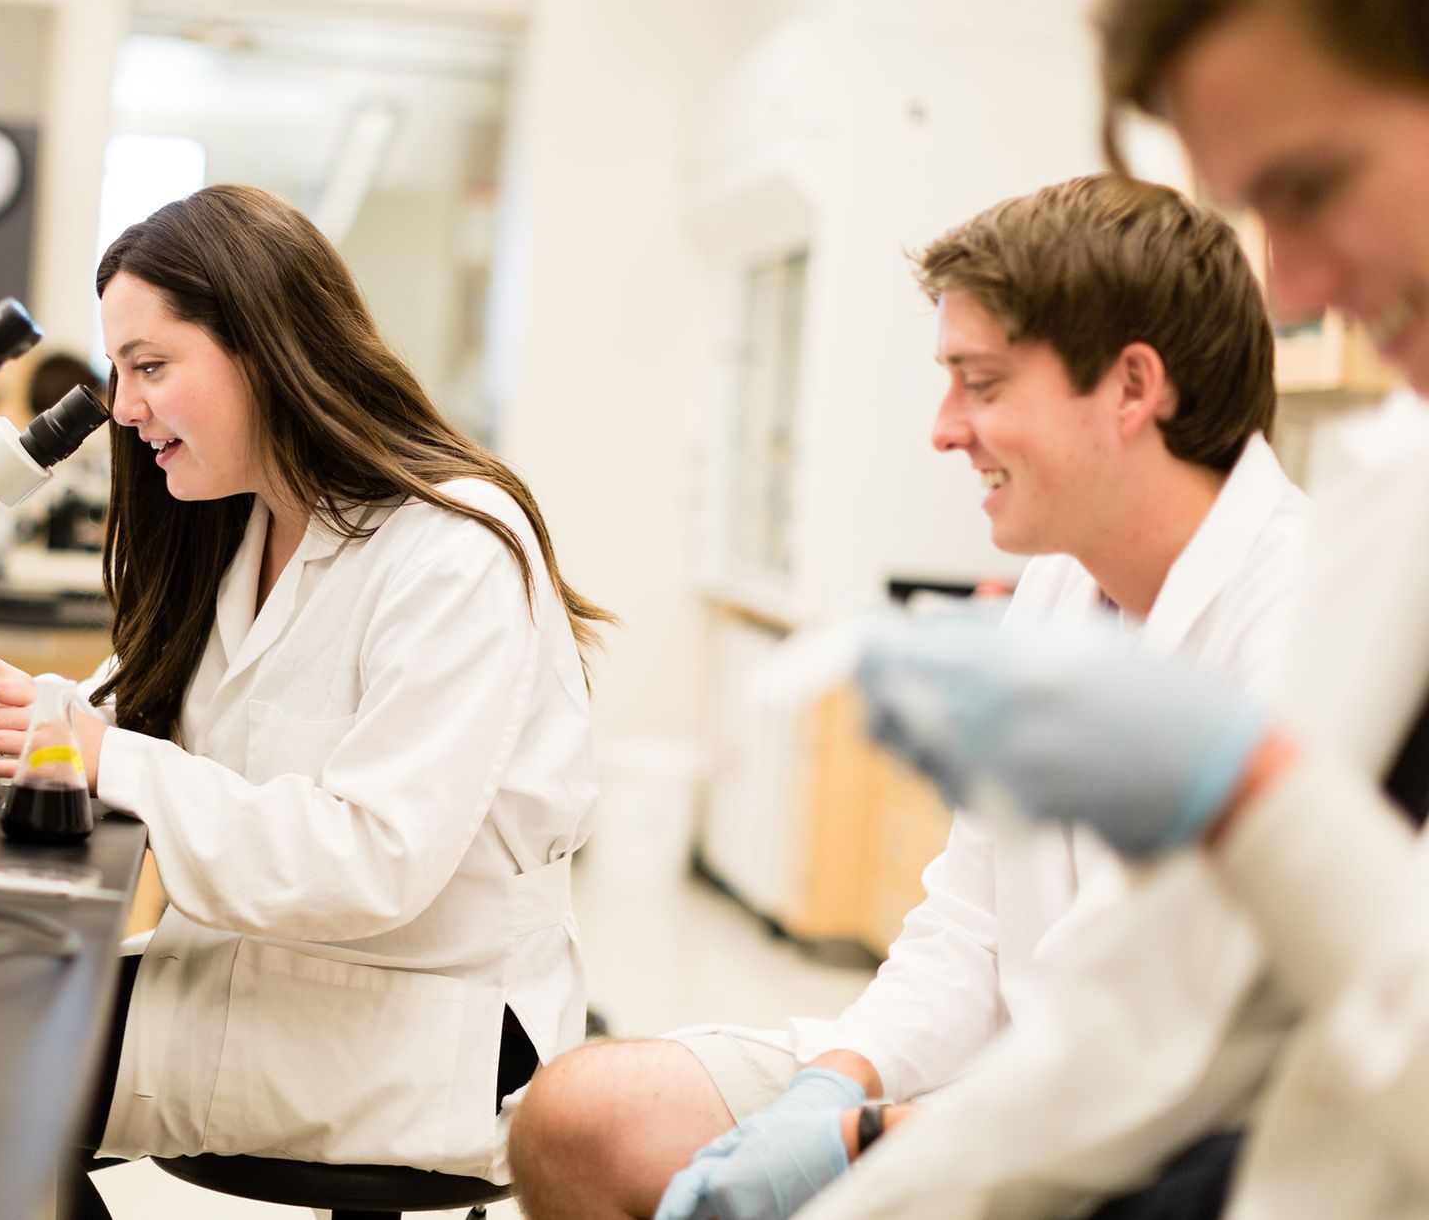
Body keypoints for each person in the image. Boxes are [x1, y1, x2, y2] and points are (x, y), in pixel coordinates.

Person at [507, 174, 1307, 1220]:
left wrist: (868, 1138)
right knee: (579, 1116)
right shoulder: (1064, 586)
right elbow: (970, 924)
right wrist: (837, 1081)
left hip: (1163, 1146)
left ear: (1129, 387)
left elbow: (1202, 1055)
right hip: (1003, 1080)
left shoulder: (1301, 619)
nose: (942, 429)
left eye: (978, 383)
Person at [821, 0, 1429, 1215]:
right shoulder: (1400, 499)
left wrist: (1254, 797)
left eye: (1314, 185)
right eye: (1258, 210)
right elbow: (1151, 1025)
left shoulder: (1300, 565)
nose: (1300, 287)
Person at [0, 184, 609, 1196]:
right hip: (253, 980)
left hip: (415, 1032)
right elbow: (152, 730)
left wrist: (100, 753)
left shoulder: (452, 549)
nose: (122, 406)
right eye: (117, 370)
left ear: (270, 348)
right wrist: (29, 708)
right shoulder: (240, 526)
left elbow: (373, 859)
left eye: (149, 366)